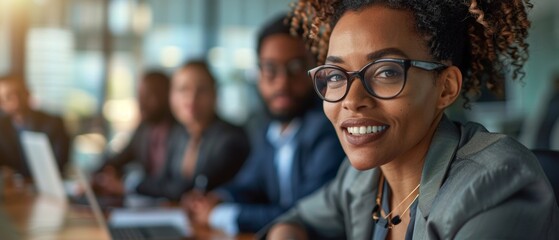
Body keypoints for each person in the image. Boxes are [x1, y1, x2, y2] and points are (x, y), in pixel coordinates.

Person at [263, 1, 559, 239]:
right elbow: (295, 220)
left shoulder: (496, 184)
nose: (351, 100)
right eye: (336, 75)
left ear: (445, 88)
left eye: (386, 72)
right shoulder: (363, 179)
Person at [184, 15, 346, 235]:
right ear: (259, 73)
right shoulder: (267, 128)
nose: (282, 82)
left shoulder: (329, 129)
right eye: (270, 69)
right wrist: (217, 198)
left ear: (315, 69)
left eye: (296, 67)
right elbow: (249, 185)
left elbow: (304, 213)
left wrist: (222, 215)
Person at [134, 60, 250, 201]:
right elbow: (160, 180)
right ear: (171, 97)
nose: (191, 98)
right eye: (183, 89)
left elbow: (193, 188)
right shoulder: (178, 134)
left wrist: (132, 186)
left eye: (201, 90)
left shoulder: (231, 139)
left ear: (214, 94)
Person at [93, 71, 176, 197]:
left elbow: (171, 183)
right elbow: (119, 158)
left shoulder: (181, 132)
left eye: (148, 96)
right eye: (140, 96)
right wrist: (98, 177)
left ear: (166, 96)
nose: (141, 103)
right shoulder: (144, 129)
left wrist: (126, 185)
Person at [0, 76, 70, 177]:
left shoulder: (53, 123)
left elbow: (59, 163)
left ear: (28, 93)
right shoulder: (1, 126)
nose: (16, 99)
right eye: (8, 96)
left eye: (18, 93)